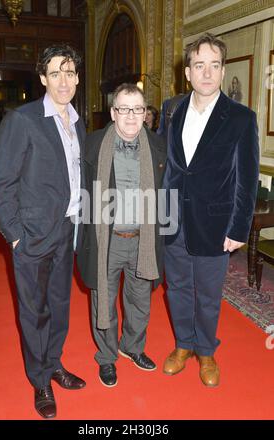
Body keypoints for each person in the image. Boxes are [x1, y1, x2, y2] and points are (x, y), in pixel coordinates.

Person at [0, 44, 86, 418]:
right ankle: (40, 379)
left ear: (77, 78)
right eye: (55, 73)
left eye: (69, 72)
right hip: (31, 234)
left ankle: (55, 363)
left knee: (60, 305)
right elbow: (2, 183)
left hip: (66, 230)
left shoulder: (77, 121)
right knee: (33, 311)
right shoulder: (23, 119)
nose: (63, 80)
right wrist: (15, 233)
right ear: (44, 78)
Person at [163, 33, 259, 387]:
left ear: (222, 70)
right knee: (177, 288)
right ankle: (183, 345)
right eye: (199, 65)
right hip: (173, 218)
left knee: (207, 293)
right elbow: (168, 168)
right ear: (187, 72)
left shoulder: (240, 118)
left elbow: (247, 180)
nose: (206, 73)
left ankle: (206, 350)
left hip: (216, 223)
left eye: (214, 66)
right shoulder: (171, 108)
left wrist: (238, 228)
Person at [77, 83, 166, 387]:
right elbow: (81, 194)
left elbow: (168, 194)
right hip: (107, 240)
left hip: (143, 239)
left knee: (140, 300)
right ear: (113, 112)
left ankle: (133, 347)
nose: (131, 116)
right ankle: (106, 357)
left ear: (146, 114)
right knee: (103, 298)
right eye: (124, 108)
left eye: (137, 108)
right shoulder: (92, 145)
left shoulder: (157, 146)